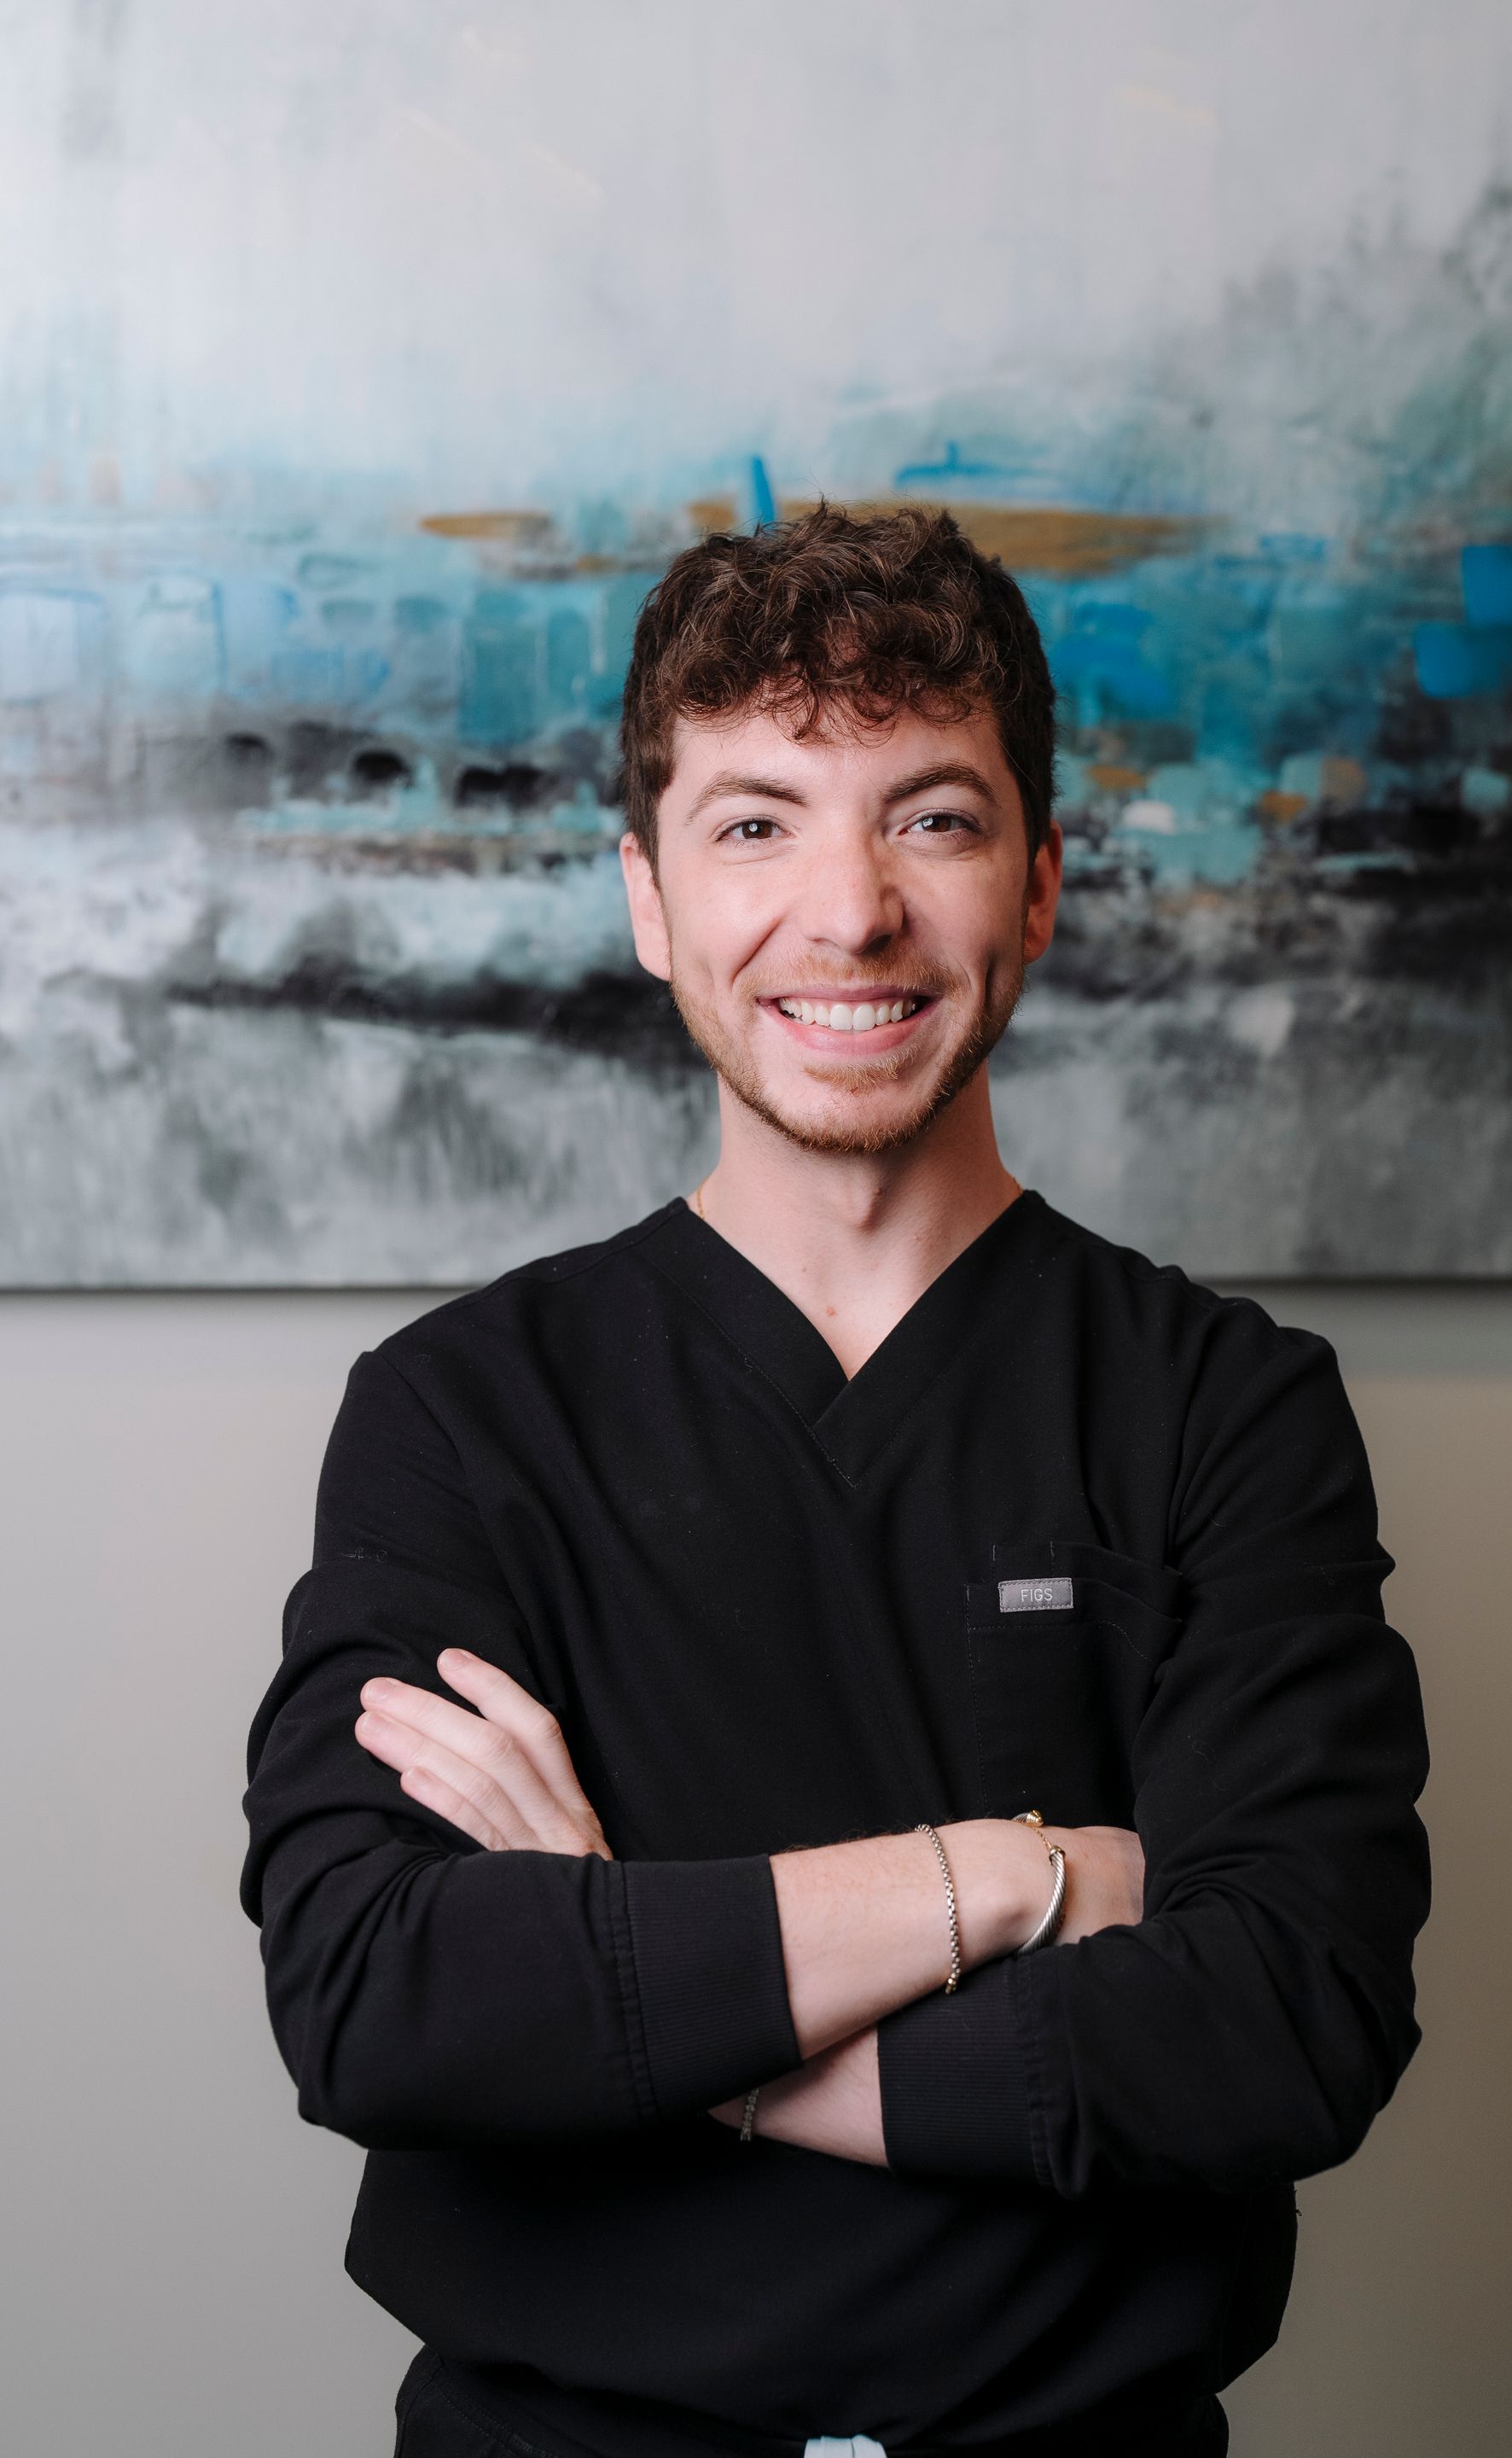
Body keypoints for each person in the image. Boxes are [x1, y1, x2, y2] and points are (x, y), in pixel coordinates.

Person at [241, 506, 1430, 2458]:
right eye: (756, 823)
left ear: (1041, 885)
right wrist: (1016, 1881)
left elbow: (1286, 2022)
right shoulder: (460, 1414)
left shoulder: (1229, 1410)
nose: (851, 911)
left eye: (934, 819)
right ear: (648, 897)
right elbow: (380, 1996)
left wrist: (641, 1983)